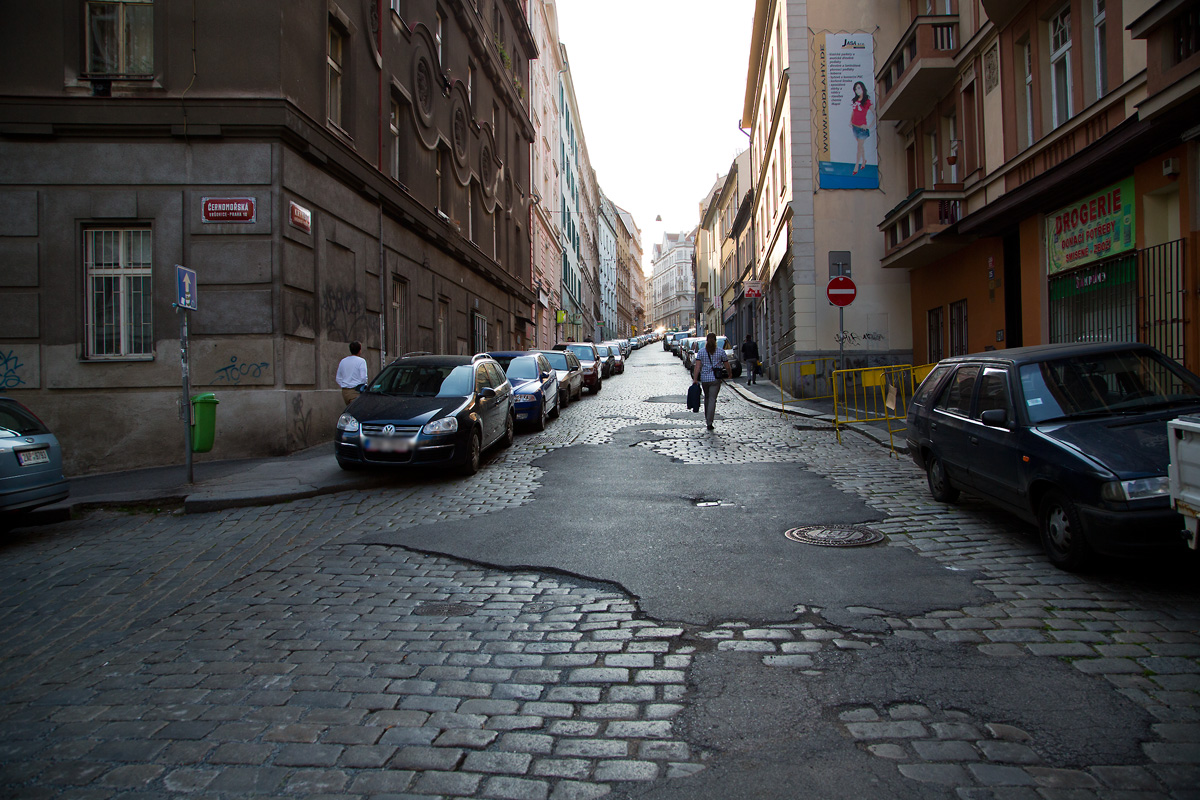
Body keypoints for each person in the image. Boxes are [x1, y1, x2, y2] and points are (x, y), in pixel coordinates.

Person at [692, 332, 729, 431]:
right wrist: (730, 374)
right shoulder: (721, 352)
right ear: (716, 341)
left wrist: (695, 379)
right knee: (712, 399)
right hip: (715, 379)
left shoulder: (701, 352)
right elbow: (727, 365)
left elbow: (697, 367)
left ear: (706, 341)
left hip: (705, 379)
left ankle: (707, 418)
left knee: (707, 399)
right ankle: (709, 422)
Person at [850, 80, 871, 176]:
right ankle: (864, 160)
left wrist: (868, 126)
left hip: (862, 129)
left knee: (859, 147)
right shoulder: (855, 100)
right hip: (855, 127)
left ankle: (856, 166)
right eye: (855, 89)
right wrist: (850, 121)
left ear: (863, 88)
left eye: (858, 88)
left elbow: (875, 114)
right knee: (861, 146)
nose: (857, 90)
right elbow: (853, 111)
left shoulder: (867, 101)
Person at [336, 341, 368, 405]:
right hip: (356, 391)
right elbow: (363, 377)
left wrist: (345, 385)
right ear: (359, 350)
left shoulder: (343, 361)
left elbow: (338, 378)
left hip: (345, 392)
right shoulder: (361, 361)